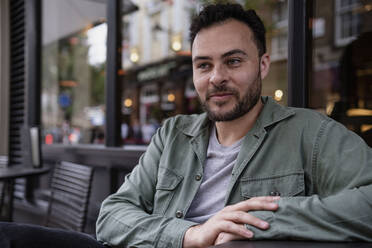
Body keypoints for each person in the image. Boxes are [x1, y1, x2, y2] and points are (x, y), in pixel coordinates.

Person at [96, 3, 372, 247]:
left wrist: (260, 221)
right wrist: (190, 234)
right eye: (204, 65)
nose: (217, 77)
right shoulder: (172, 135)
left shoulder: (310, 133)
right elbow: (111, 216)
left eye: (233, 61)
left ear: (263, 65)